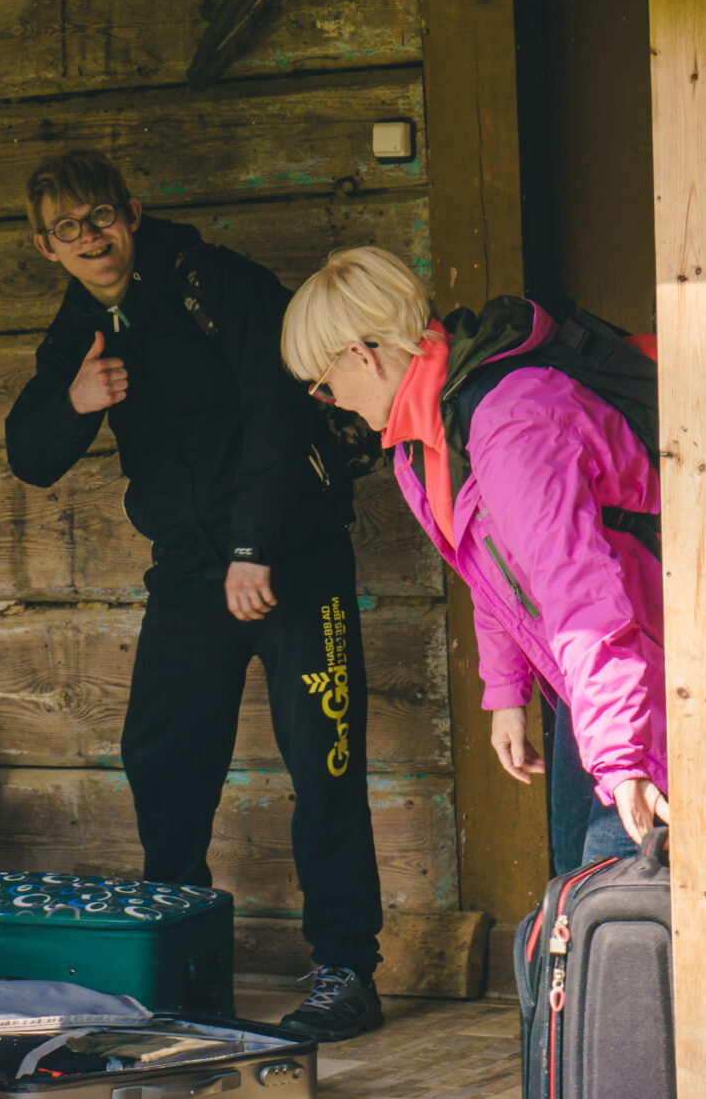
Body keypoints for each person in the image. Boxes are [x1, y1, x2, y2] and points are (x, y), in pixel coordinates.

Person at [3, 149, 384, 1044]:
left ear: (132, 212)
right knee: (164, 760)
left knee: (323, 759)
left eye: (102, 216)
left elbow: (277, 411)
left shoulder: (217, 282)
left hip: (293, 555)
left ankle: (346, 970)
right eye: (69, 228)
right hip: (187, 572)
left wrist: (254, 547)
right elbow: (29, 453)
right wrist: (75, 400)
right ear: (47, 246)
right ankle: (183, 966)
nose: (91, 237)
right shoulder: (80, 326)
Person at [279, 246, 667, 862]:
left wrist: (623, 758)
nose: (332, 401)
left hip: (647, 690)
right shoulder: (427, 437)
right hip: (598, 691)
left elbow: (581, 594)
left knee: (614, 900)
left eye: (324, 386)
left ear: (361, 355)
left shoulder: (510, 423)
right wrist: (507, 692)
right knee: (577, 890)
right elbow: (496, 573)